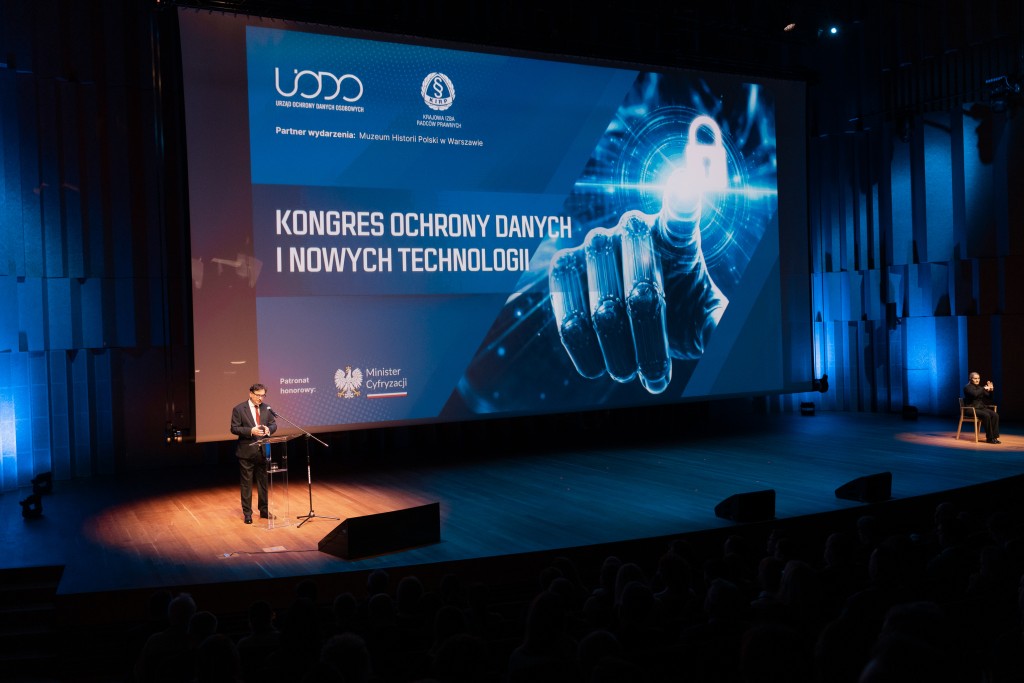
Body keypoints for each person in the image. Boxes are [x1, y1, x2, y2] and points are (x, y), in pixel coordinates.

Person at [230, 383, 277, 523]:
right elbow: (234, 428)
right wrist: (251, 431)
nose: (260, 398)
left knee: (263, 483)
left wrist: (269, 429)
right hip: (247, 452)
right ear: (250, 394)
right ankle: (247, 514)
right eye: (258, 395)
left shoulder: (267, 408)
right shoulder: (239, 409)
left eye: (263, 395)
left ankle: (264, 511)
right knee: (246, 484)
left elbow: (273, 424)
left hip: (263, 451)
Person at [964, 372, 999, 444]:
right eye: (975, 378)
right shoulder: (967, 387)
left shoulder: (980, 388)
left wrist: (991, 390)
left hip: (980, 408)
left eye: (978, 378)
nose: (977, 380)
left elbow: (989, 398)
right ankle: (990, 438)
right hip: (971, 409)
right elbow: (975, 394)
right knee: (986, 415)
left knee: (995, 415)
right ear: (970, 379)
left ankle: (994, 437)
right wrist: (984, 388)